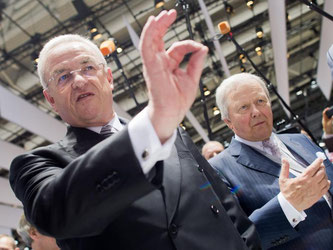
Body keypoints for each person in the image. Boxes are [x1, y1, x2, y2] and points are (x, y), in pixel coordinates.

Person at [9, 10, 261, 250]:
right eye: (62, 77)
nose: (79, 81)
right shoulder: (36, 165)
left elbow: (224, 202)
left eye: (88, 67)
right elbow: (56, 213)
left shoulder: (173, 134)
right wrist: (153, 123)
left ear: (108, 77)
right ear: (50, 99)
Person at [210, 72, 333, 249]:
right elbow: (236, 239)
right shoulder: (218, 170)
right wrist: (287, 206)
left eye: (260, 101)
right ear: (228, 121)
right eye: (243, 107)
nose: (256, 112)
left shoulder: (299, 140)